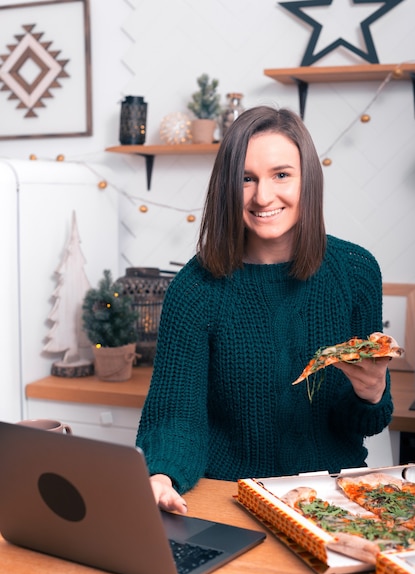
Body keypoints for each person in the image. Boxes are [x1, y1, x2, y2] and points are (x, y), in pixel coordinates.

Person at [136, 105, 393, 514]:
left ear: (307, 179)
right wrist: (161, 475)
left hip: (328, 500)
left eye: (281, 174)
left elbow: (361, 424)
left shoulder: (357, 272)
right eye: (246, 178)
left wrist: (371, 392)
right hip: (227, 496)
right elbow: (176, 416)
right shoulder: (195, 287)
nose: (262, 196)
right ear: (226, 186)